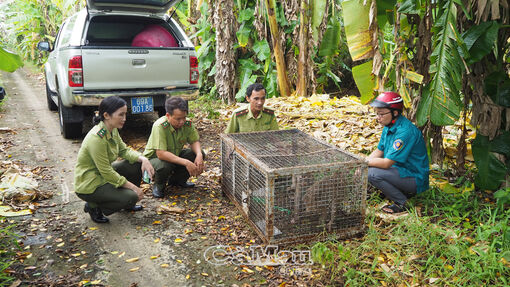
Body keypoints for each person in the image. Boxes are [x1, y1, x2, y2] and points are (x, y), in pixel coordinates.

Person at [74, 96, 155, 223]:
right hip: (90, 183)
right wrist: (133, 187)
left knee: (135, 164)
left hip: (103, 175)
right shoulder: (97, 138)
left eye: (125, 114)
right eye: (121, 115)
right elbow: (106, 171)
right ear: (106, 115)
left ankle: (127, 204)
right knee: (131, 196)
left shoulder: (112, 130)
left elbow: (124, 150)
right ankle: (94, 206)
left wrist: (143, 159)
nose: (124, 119)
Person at [366, 92, 429, 214]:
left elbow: (386, 163)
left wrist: (364, 162)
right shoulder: (389, 126)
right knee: (368, 169)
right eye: (377, 113)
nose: (378, 117)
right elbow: (380, 150)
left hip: (414, 177)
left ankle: (402, 203)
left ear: (395, 113)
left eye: (381, 114)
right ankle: (395, 191)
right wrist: (364, 164)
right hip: (399, 171)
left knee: (372, 174)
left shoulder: (405, 132)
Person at [143, 97, 205, 198]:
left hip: (174, 156)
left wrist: (199, 155)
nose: (182, 122)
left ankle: (177, 181)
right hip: (154, 159)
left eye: (184, 117)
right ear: (168, 115)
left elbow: (194, 141)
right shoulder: (160, 126)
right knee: (164, 165)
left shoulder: (187, 124)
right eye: (178, 119)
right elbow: (161, 154)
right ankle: (159, 185)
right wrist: (186, 162)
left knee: (196, 154)